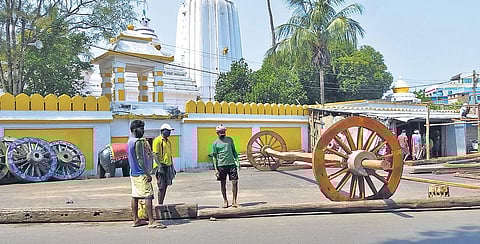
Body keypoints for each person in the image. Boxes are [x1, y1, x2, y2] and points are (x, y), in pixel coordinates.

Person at [127, 120, 165, 229]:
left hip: (133, 172)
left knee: (135, 196)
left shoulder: (130, 141)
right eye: (141, 128)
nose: (143, 131)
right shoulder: (138, 142)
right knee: (148, 196)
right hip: (141, 173)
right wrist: (147, 173)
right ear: (135, 129)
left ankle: (136, 219)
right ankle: (151, 221)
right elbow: (140, 159)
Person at [211, 124, 240, 208]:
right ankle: (225, 201)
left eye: (224, 132)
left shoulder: (230, 140)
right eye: (221, 132)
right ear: (217, 133)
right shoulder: (215, 143)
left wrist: (237, 161)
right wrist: (216, 169)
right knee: (223, 183)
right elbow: (214, 157)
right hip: (221, 165)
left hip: (231, 164)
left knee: (235, 182)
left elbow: (234, 151)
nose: (223, 134)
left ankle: (234, 201)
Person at [152, 123, 176, 205]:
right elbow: (155, 154)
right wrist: (159, 166)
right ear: (163, 131)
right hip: (161, 166)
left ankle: (161, 203)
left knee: (165, 185)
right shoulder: (157, 140)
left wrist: (172, 167)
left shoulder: (168, 141)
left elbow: (170, 155)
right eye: (168, 131)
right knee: (161, 187)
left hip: (168, 166)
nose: (169, 133)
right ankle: (160, 204)